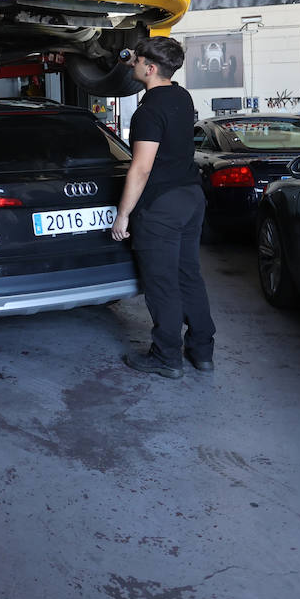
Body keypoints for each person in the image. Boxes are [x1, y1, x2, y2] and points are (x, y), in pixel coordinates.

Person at [109, 36, 215, 378]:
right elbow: (145, 65)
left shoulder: (148, 111)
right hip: (191, 198)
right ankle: (202, 351)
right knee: (188, 275)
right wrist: (130, 57)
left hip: (162, 206)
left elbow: (141, 168)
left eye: (138, 62)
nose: (134, 64)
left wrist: (122, 216)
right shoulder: (180, 96)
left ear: (150, 68)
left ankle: (166, 356)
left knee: (162, 282)